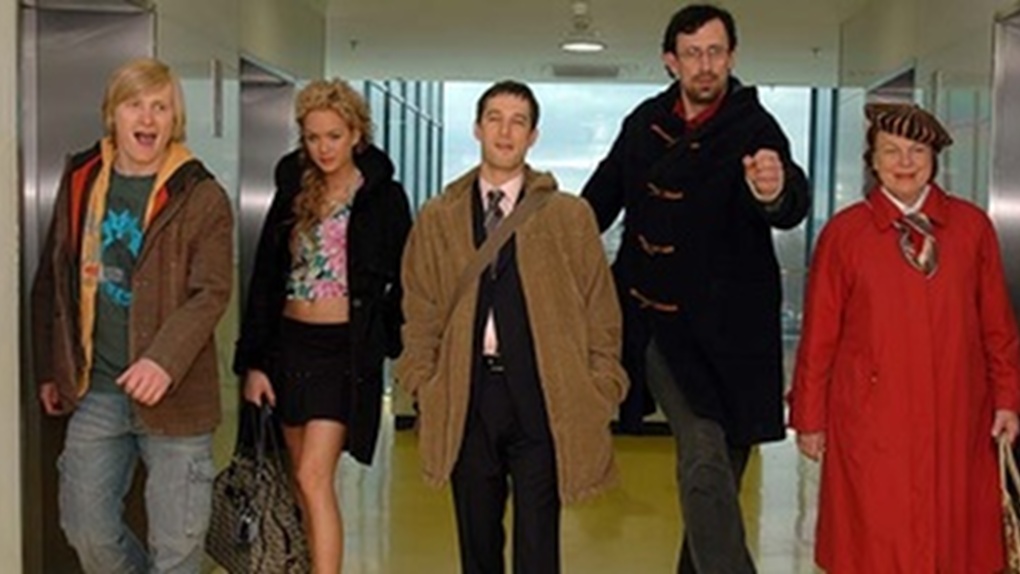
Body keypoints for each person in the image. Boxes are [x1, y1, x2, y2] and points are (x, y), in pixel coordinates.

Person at [580, 4, 811, 572]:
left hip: (735, 336)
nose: (704, 65)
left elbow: (788, 201)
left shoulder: (757, 127)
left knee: (717, 480)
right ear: (671, 61)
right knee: (705, 457)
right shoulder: (643, 123)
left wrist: (773, 190)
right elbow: (594, 205)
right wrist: (543, 238)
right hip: (659, 325)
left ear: (731, 56)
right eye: (692, 54)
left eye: (715, 52)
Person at [395, 80, 628, 574]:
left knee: (538, 544)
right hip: (467, 393)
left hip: (544, 394)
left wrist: (602, 383)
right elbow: (421, 307)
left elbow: (600, 309)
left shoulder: (568, 216)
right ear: (477, 128)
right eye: (495, 119)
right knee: (477, 541)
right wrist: (422, 381)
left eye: (518, 122)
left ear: (533, 136)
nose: (505, 132)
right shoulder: (439, 218)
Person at [788, 103, 1020, 573]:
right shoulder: (845, 235)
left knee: (954, 536)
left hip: (958, 413)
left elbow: (997, 325)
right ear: (872, 161)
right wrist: (809, 417)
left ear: (935, 159)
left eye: (917, 150)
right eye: (891, 151)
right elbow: (819, 337)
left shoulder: (972, 229)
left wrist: (1007, 399)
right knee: (876, 538)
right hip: (871, 419)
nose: (905, 162)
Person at [30, 57, 233, 573]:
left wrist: (163, 360)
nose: (147, 118)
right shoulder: (81, 180)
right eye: (134, 105)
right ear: (112, 114)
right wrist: (51, 367)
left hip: (177, 398)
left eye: (160, 107)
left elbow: (211, 291)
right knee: (86, 530)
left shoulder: (200, 194)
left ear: (174, 119)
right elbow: (54, 275)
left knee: (178, 549)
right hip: (97, 389)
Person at [233, 78, 412, 573]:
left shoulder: (384, 198)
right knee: (298, 479)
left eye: (333, 135)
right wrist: (254, 363)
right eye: (312, 137)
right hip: (288, 348)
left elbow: (409, 277)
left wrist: (387, 339)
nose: (323, 148)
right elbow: (265, 281)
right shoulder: (293, 193)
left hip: (342, 353)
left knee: (314, 477)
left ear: (356, 133)